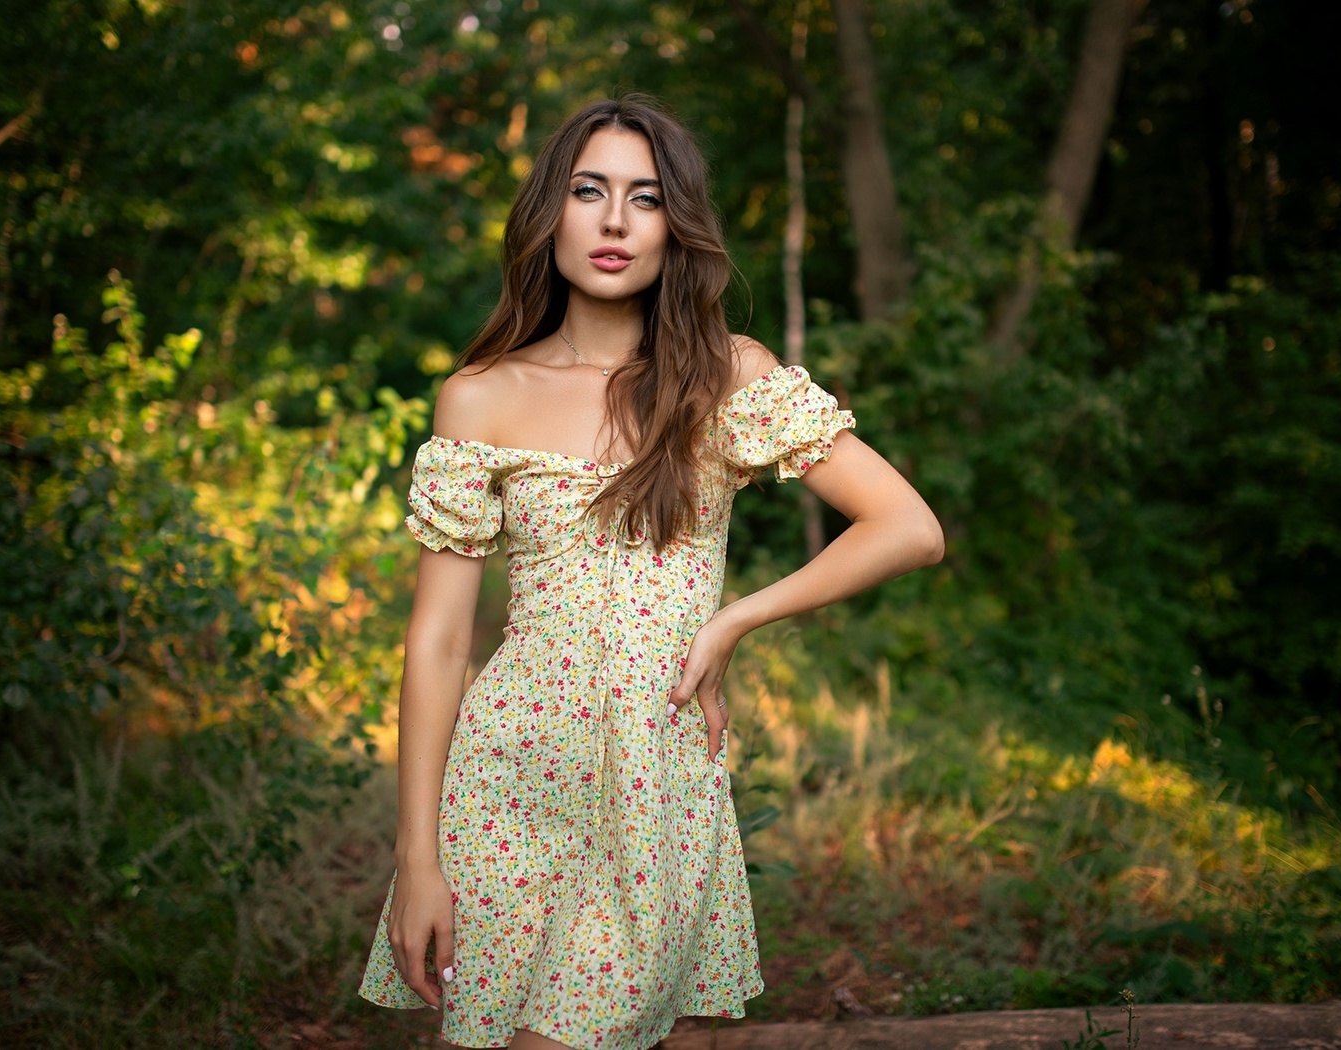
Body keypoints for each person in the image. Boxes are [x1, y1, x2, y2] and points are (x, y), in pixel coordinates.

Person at [359, 95, 944, 1050]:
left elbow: (908, 527)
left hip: (658, 780)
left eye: (646, 197)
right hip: (509, 786)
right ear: (552, 211)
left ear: (677, 227)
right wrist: (416, 856)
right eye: (590, 191)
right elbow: (436, 641)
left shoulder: (727, 377)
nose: (616, 220)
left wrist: (730, 623)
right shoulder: (480, 395)